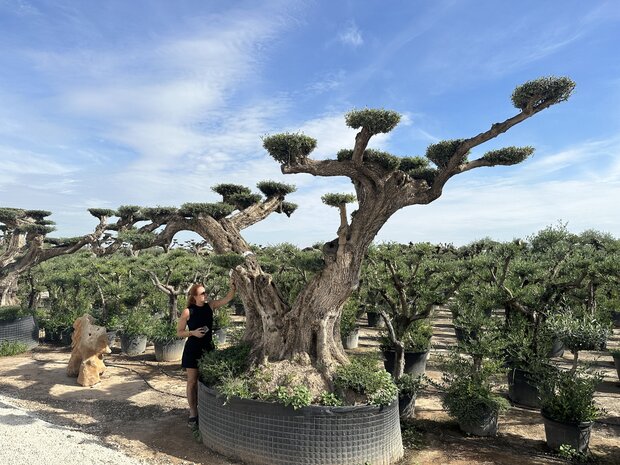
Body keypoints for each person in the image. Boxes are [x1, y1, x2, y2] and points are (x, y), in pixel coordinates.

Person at [177, 280, 235, 428]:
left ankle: (205, 409)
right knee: (192, 382)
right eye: (202, 293)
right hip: (192, 350)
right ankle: (193, 412)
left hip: (208, 349)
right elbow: (179, 332)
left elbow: (227, 298)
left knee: (207, 379)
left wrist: (233, 287)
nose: (206, 295)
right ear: (195, 296)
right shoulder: (188, 311)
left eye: (205, 292)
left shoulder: (210, 306)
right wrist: (193, 333)